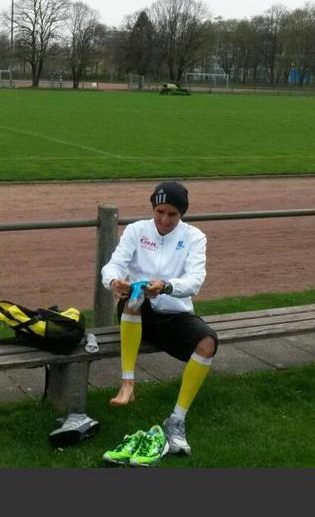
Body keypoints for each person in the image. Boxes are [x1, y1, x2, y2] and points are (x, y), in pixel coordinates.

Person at [100, 180, 217, 457]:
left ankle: (176, 419)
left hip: (174, 313)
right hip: (137, 313)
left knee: (208, 343)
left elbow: (195, 281)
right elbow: (114, 265)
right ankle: (127, 383)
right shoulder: (136, 230)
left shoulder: (195, 237)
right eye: (160, 212)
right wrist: (114, 280)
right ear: (153, 208)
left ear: (182, 214)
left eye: (172, 214)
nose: (164, 219)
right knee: (135, 297)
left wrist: (165, 286)